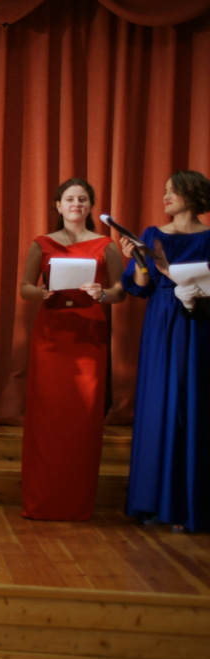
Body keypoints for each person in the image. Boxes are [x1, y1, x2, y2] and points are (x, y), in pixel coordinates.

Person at [18, 178, 124, 521]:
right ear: (58, 205)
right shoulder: (42, 243)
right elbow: (24, 287)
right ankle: (41, 502)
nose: (76, 204)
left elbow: (120, 291)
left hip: (89, 334)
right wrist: (41, 293)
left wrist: (102, 293)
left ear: (90, 206)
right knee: (47, 418)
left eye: (82, 199)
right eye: (69, 199)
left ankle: (76, 504)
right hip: (51, 335)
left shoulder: (106, 245)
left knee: (82, 419)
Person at [120, 169, 210, 533]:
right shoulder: (152, 235)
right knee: (160, 404)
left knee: (194, 403)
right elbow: (140, 286)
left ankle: (190, 505)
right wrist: (140, 261)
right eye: (164, 191)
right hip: (161, 320)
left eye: (172, 191)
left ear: (192, 195)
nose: (165, 197)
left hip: (200, 321)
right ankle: (156, 502)